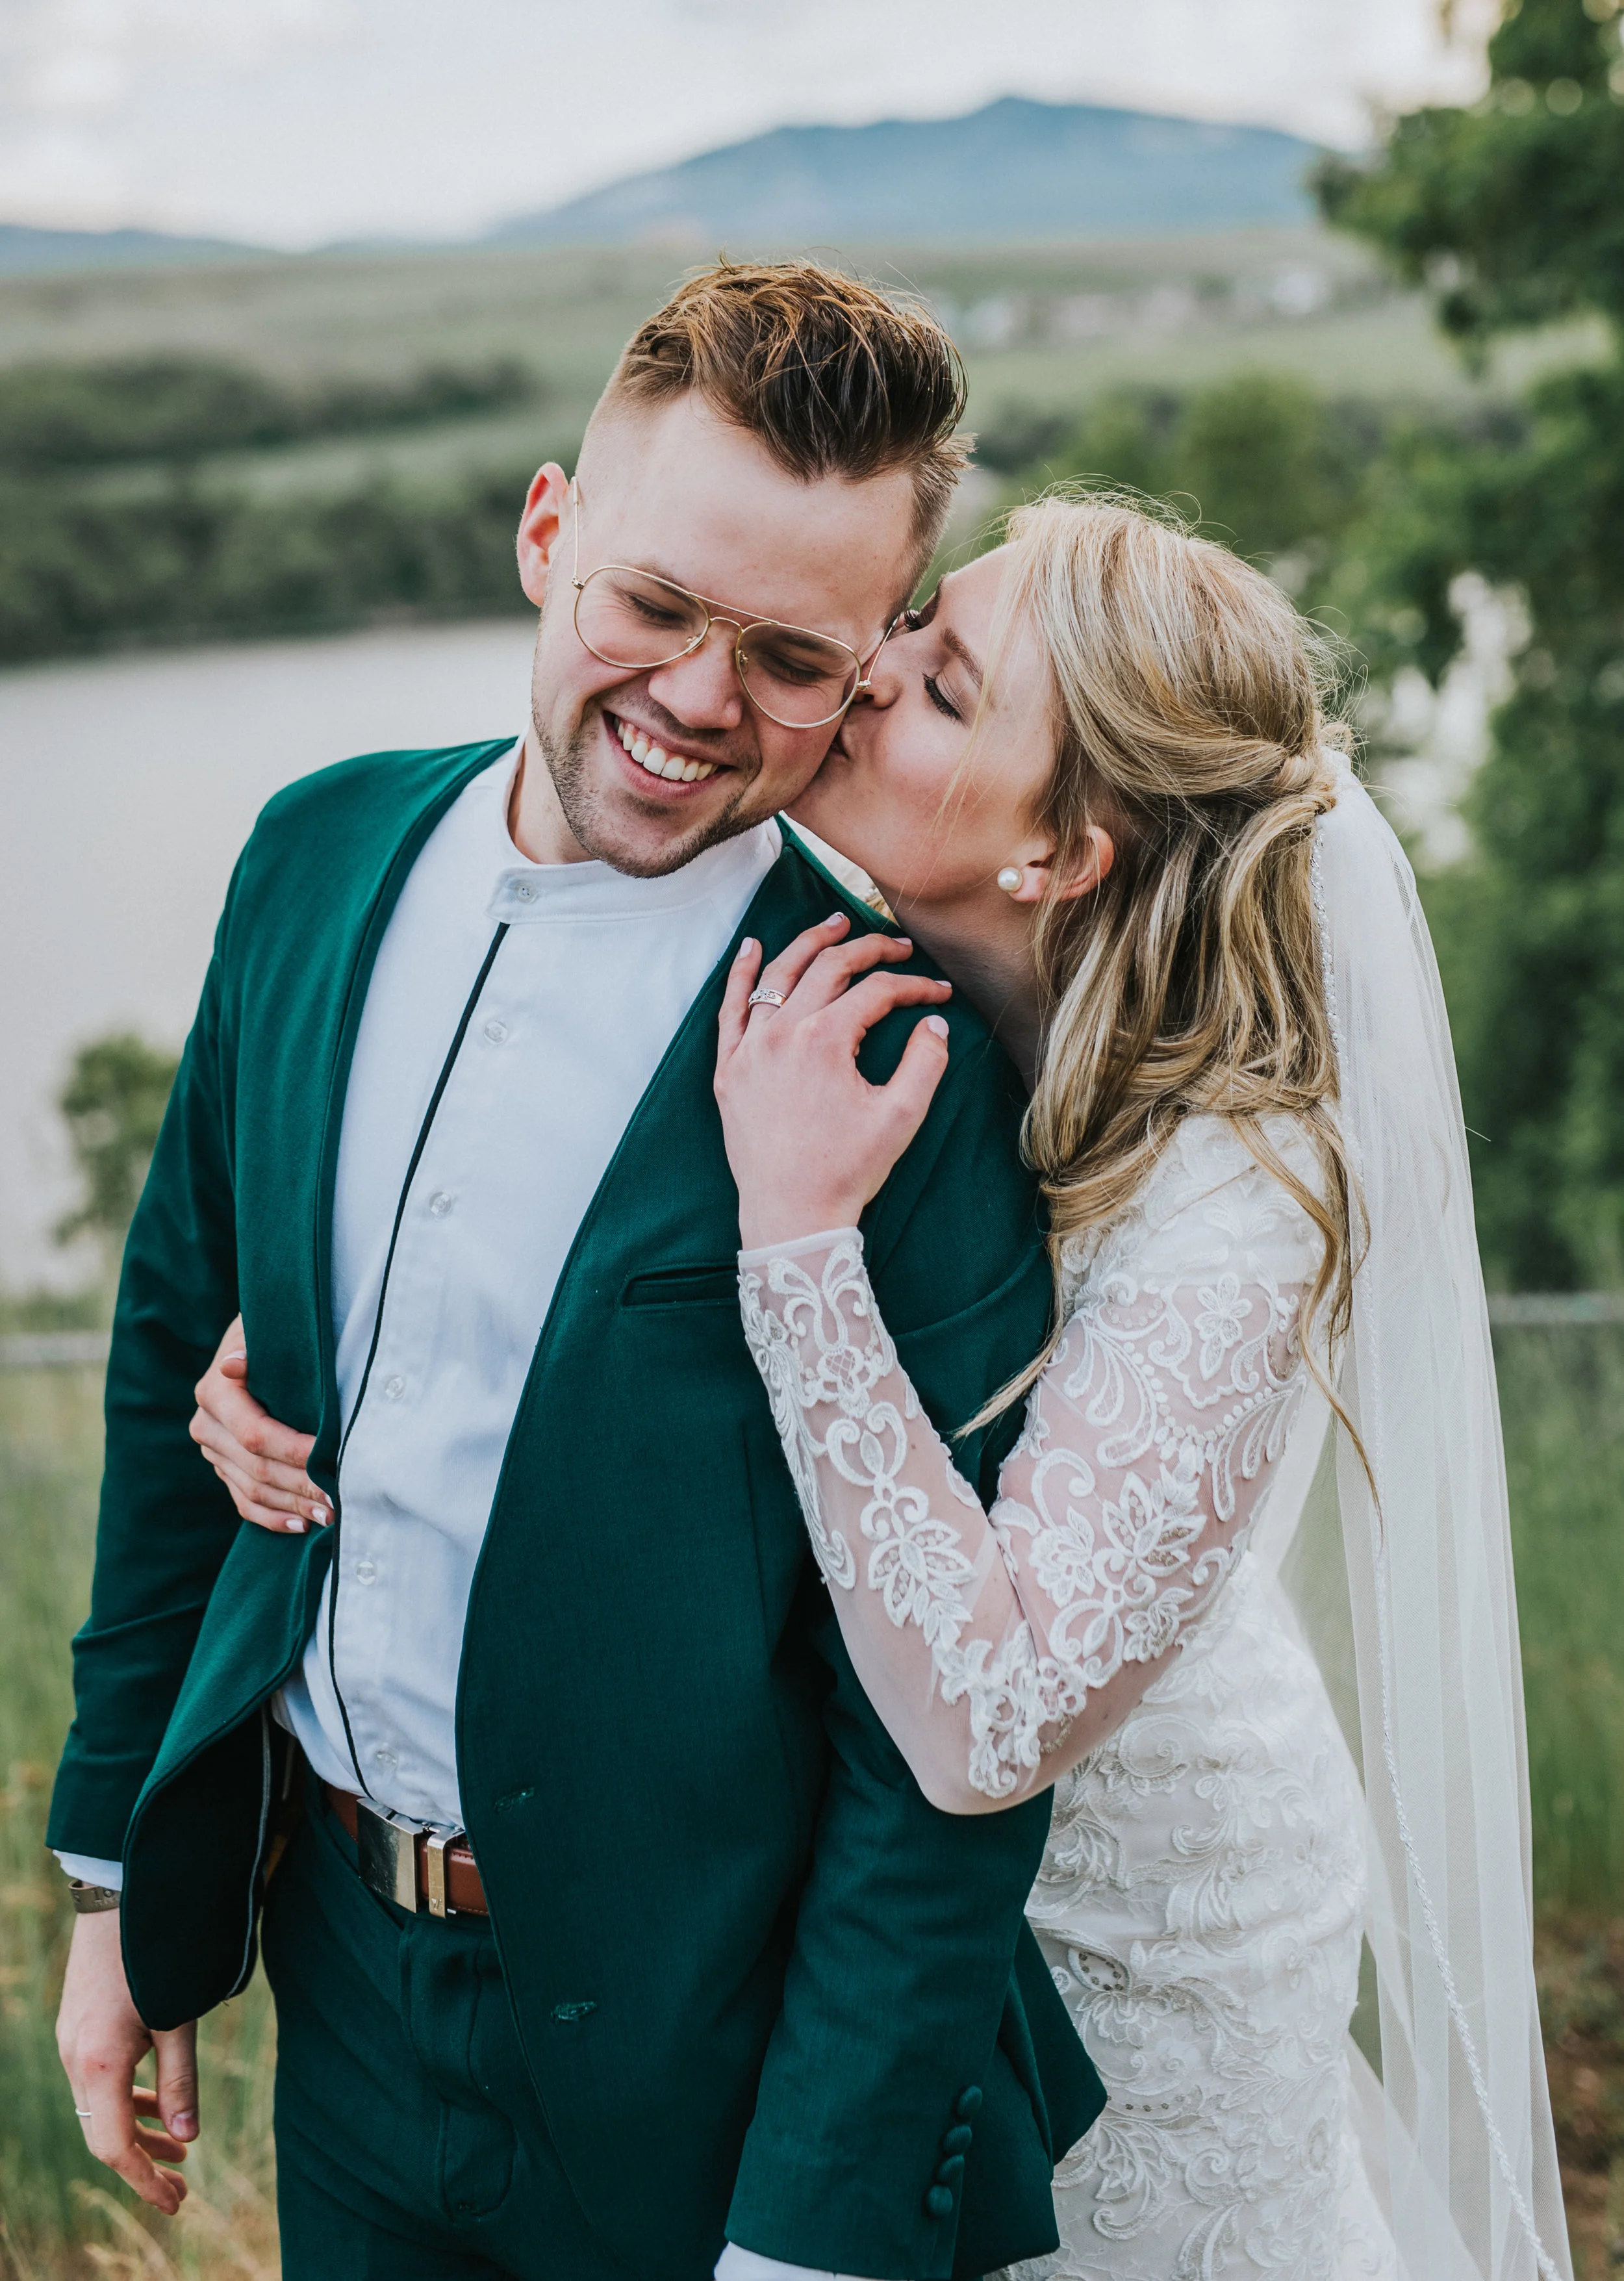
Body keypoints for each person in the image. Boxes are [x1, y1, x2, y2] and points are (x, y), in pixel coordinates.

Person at [197, 489, 1575, 2278]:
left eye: (935, 688)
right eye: (905, 631)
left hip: (1130, 1910)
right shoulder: (894, 1000)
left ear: (1063, 849)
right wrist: (335, 1346)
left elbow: (985, 1721)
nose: (858, 680)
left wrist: (800, 1243)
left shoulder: (1236, 1198)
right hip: (831, 1889)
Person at [47, 261, 1106, 2281]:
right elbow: (174, 1358)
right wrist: (116, 1882)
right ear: (550, 534)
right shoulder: (308, 858)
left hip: (717, 2075)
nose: (701, 697)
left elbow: (941, 1756)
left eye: (791, 656)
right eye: (655, 604)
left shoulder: (899, 1064)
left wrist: (812, 2236)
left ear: (875, 655)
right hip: (343, 1993)